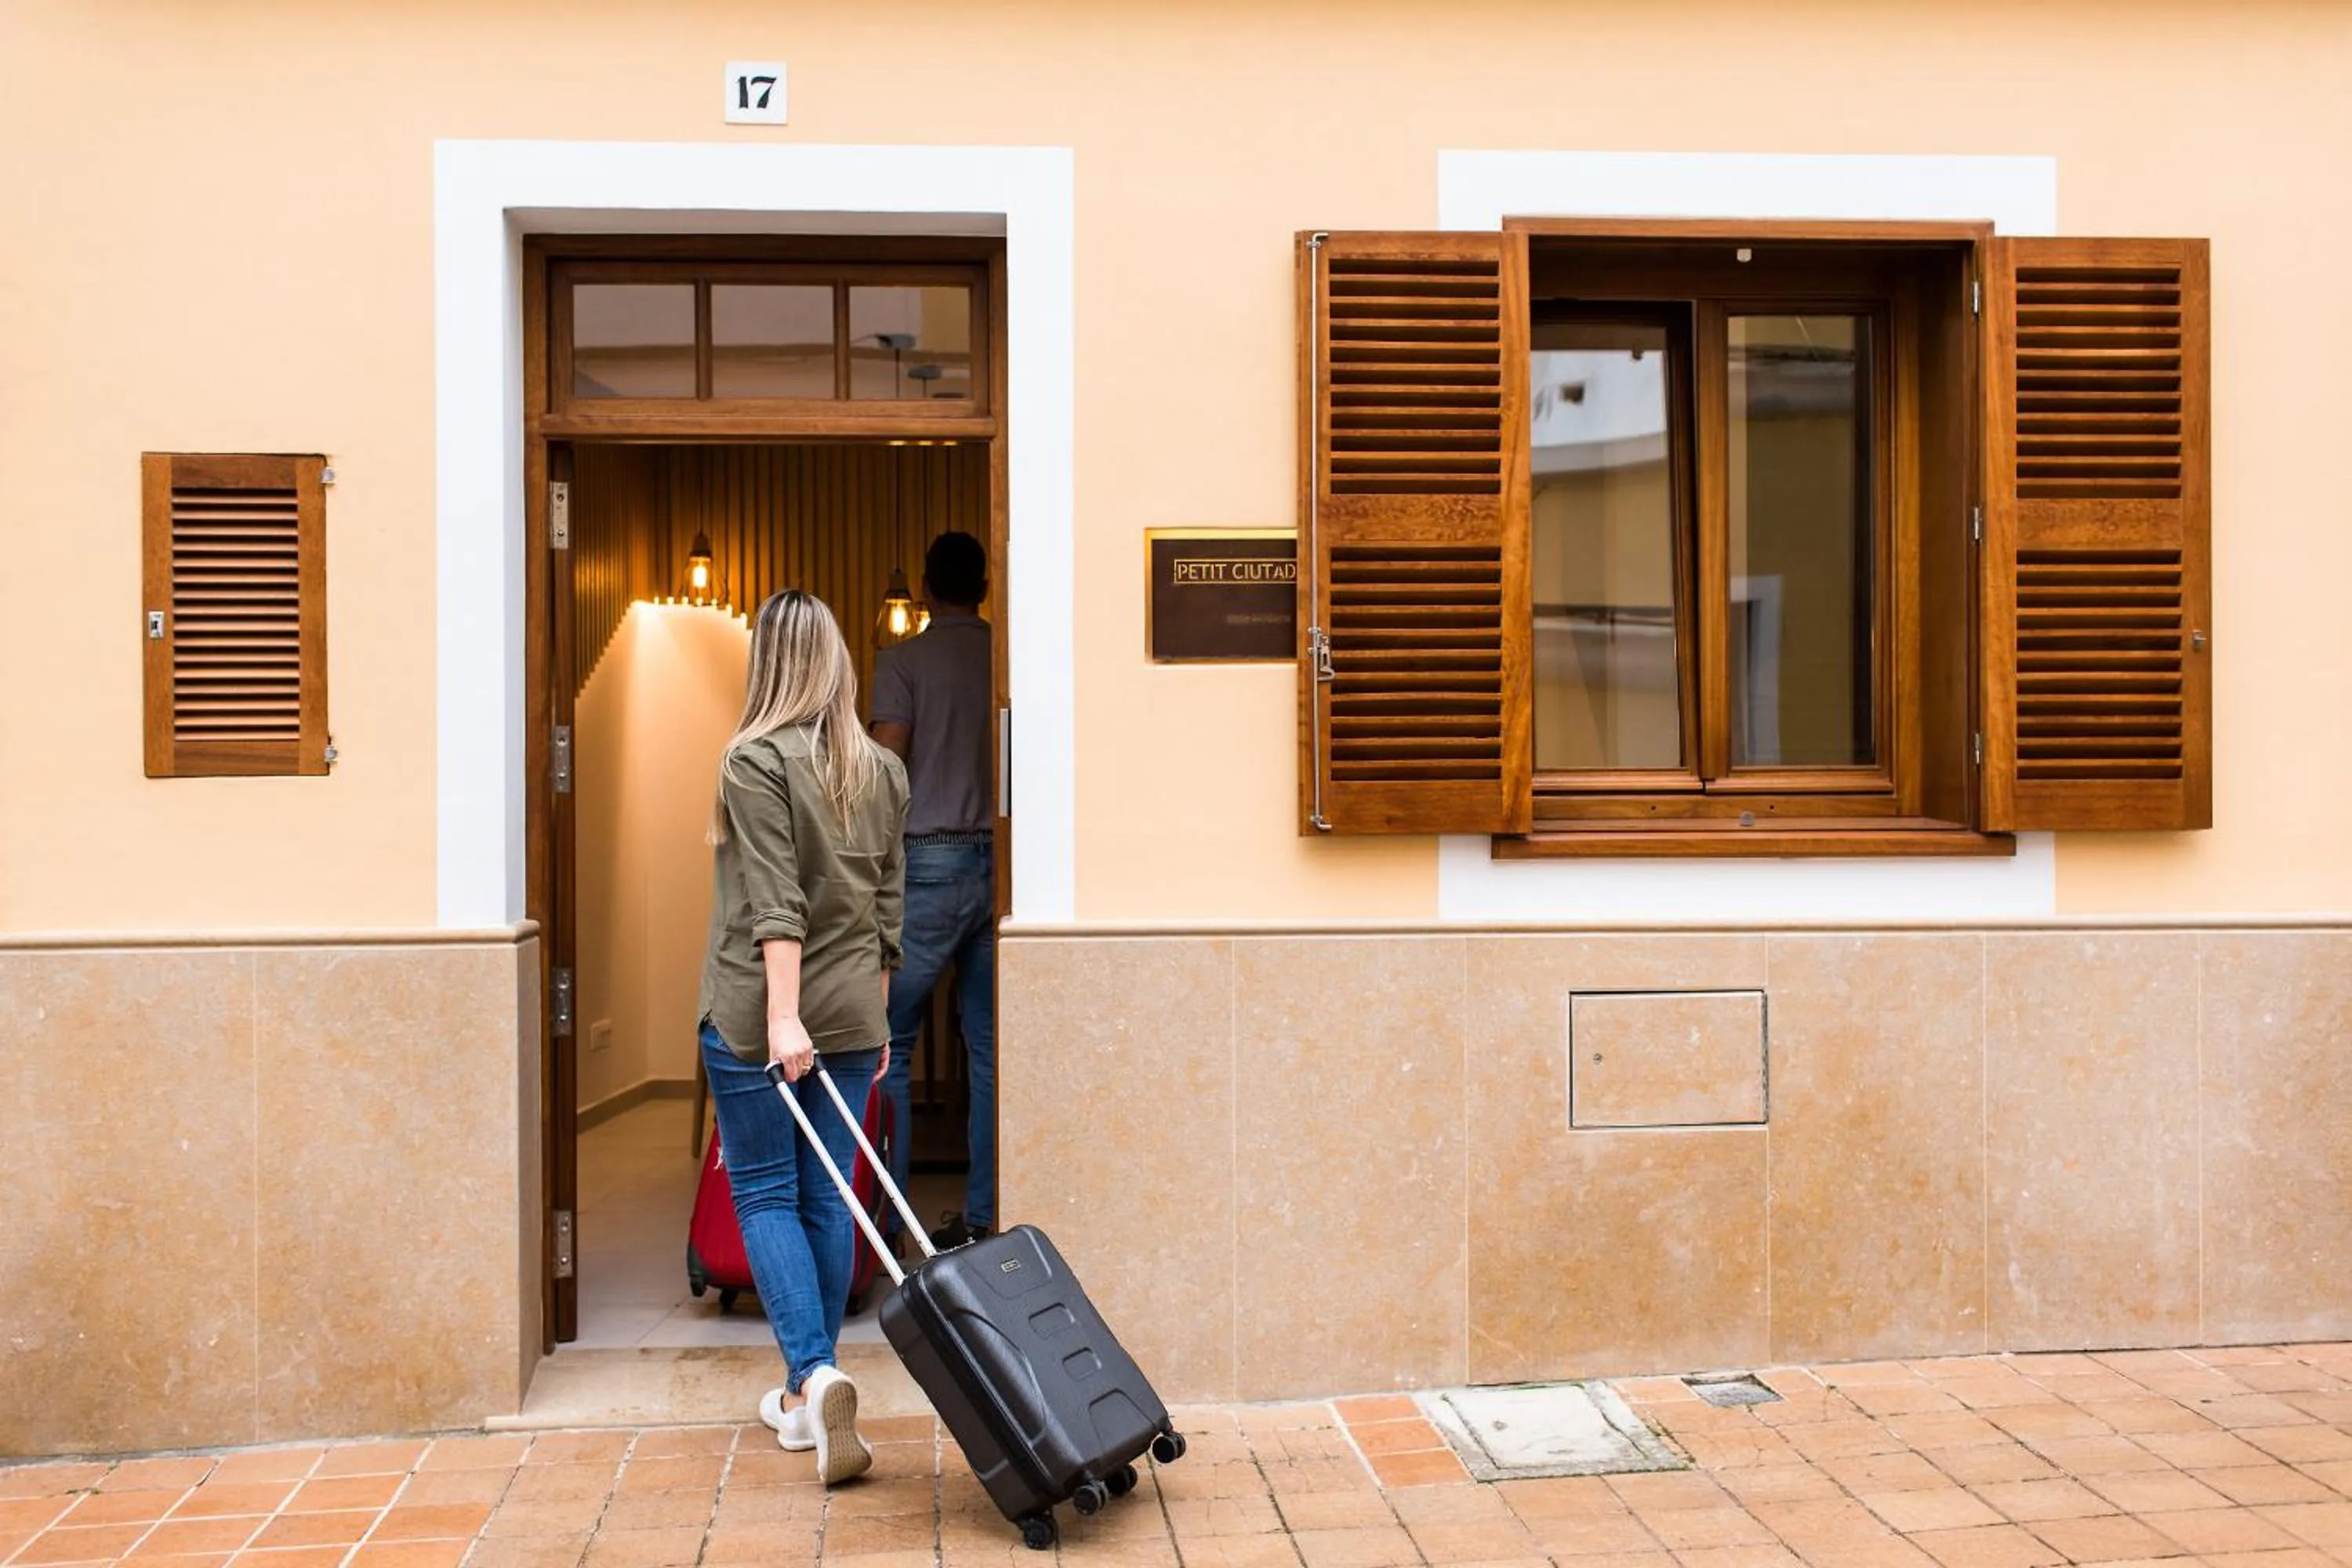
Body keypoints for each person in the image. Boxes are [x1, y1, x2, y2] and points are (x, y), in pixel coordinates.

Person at [697, 589, 908, 1483]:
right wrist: (878, 1011)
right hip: (857, 1014)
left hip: (758, 1015)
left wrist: (783, 1014)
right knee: (828, 1197)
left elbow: (776, 899)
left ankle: (813, 1377)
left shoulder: (753, 759)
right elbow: (890, 907)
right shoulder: (882, 770)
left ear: (767, 661)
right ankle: (802, 1404)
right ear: (836, 661)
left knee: (766, 1193)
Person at [869, 531, 997, 1250]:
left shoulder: (903, 660)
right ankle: (982, 1217)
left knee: (890, 1045)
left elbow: (887, 755)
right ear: (983, 585)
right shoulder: (1002, 655)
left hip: (927, 862)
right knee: (988, 1049)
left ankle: (892, 1222)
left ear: (925, 588)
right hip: (996, 866)